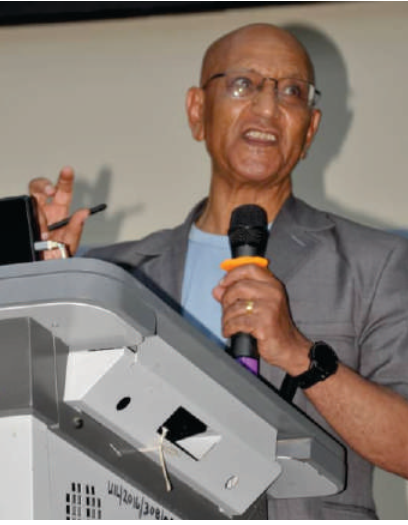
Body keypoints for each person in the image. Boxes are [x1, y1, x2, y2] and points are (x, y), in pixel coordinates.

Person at [29, 24, 408, 519]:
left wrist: (299, 353)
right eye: (242, 84)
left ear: (310, 129)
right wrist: (43, 282)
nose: (267, 108)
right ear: (197, 111)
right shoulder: (113, 277)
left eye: (291, 92)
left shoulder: (374, 263)